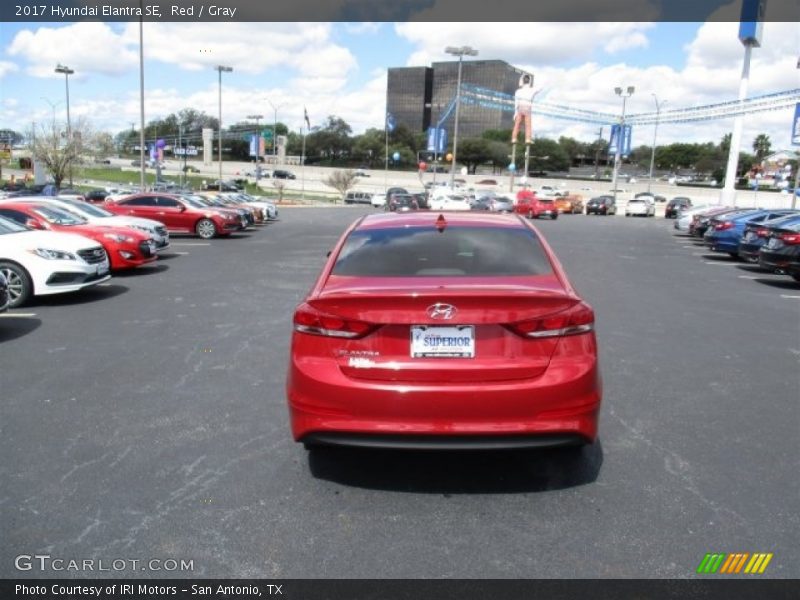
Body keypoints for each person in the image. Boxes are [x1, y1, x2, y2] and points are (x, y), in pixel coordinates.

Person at [511, 73, 540, 145]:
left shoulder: (518, 91)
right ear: (529, 81)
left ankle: (514, 138)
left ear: (522, 81)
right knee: (528, 125)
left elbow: (516, 102)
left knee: (517, 124)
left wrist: (515, 113)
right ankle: (527, 139)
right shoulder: (532, 90)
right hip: (528, 108)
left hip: (520, 108)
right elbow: (540, 88)